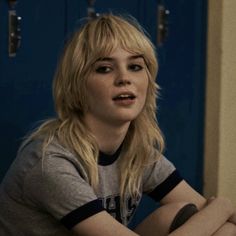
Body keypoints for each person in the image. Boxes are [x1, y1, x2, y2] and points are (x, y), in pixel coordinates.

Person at [0, 13, 235, 236]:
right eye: (104, 69)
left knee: (203, 222)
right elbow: (217, 211)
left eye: (135, 67)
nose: (125, 78)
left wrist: (220, 212)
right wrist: (223, 204)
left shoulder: (137, 153)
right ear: (77, 87)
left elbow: (215, 216)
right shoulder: (50, 162)